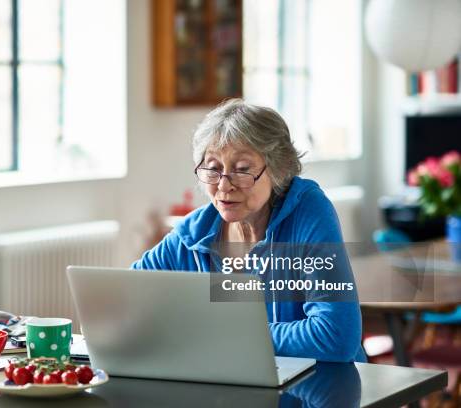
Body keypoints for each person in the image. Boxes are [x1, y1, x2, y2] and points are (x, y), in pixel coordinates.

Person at [132, 99, 365, 363]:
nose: (224, 185)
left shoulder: (308, 212)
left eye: (242, 170)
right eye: (213, 168)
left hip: (321, 389)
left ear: (279, 170)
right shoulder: (194, 234)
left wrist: (221, 336)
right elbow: (126, 300)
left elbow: (335, 336)